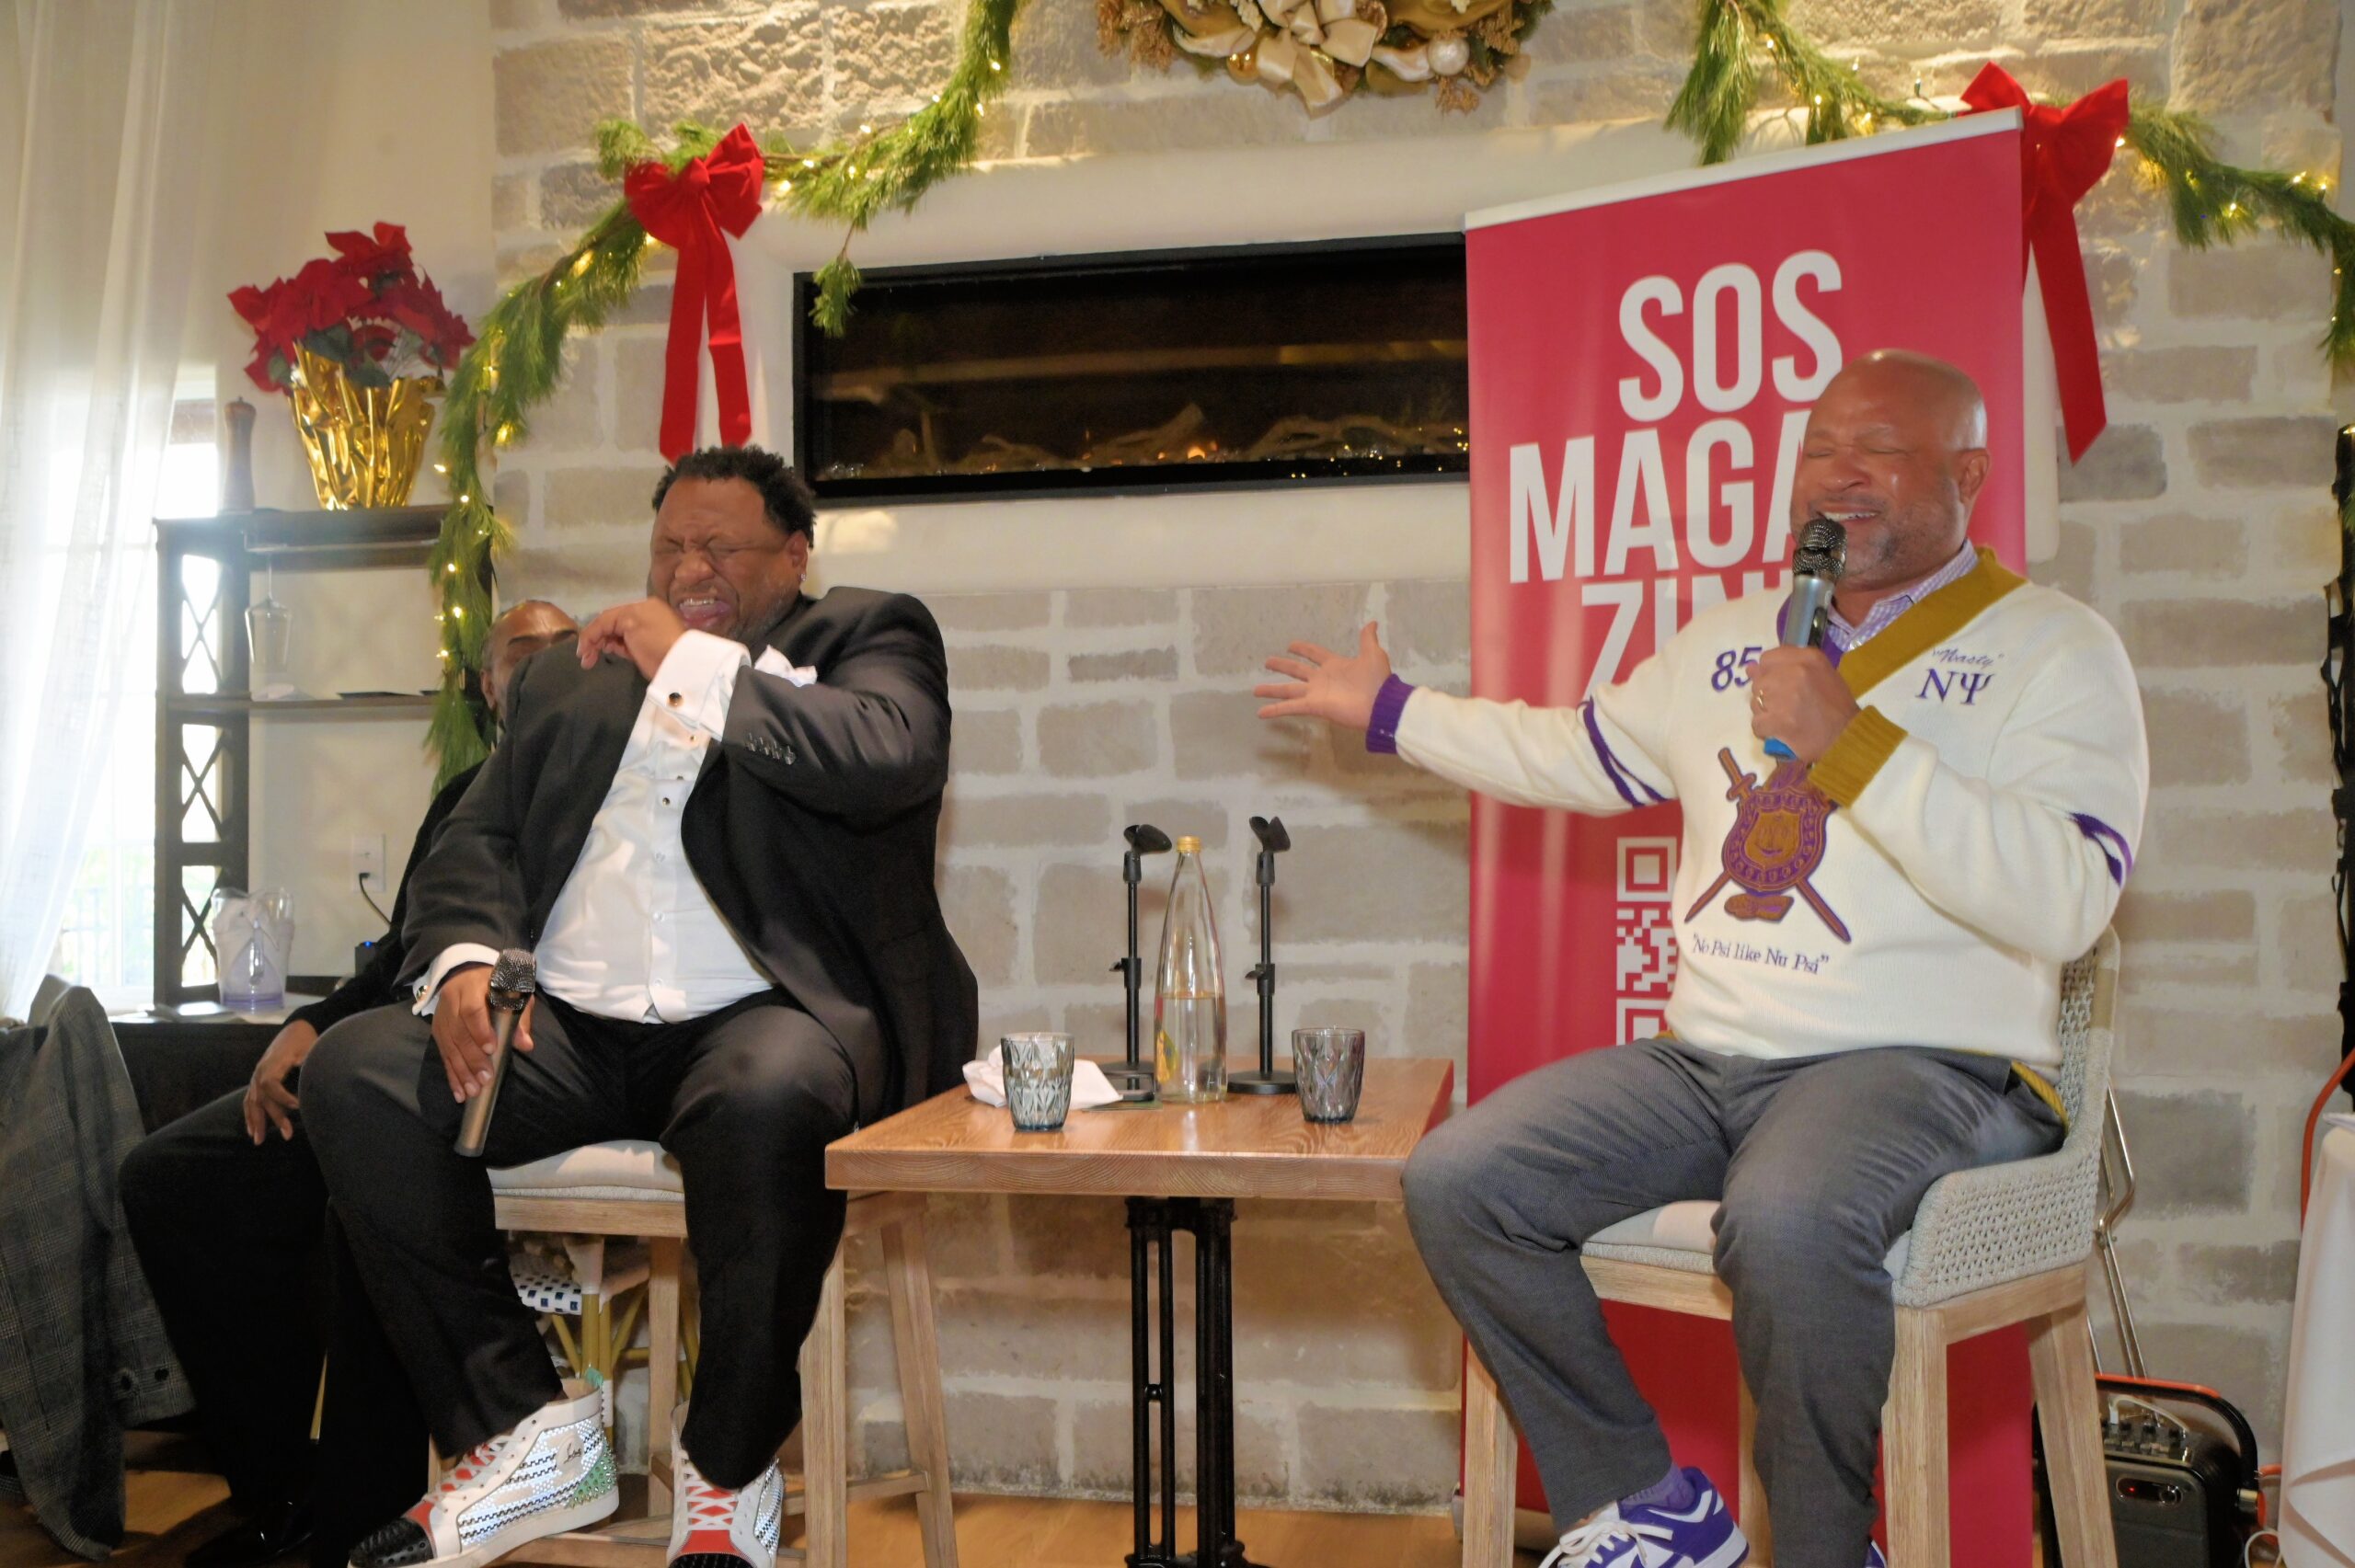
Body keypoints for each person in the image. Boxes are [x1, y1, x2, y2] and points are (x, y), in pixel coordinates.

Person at [1254, 350, 2147, 1568]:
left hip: (1926, 1065)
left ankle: (1825, 1551)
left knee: (1786, 1218)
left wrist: (1852, 742)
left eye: (1878, 448)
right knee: (1461, 1179)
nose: (1839, 474)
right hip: (1709, 1060)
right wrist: (1394, 709)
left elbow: (2069, 898)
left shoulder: (2055, 648)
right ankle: (1645, 1508)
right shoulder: (1731, 640)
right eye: (1820, 447)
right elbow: (1575, 752)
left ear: (1970, 473)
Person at [300, 445, 976, 1568]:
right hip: (566, 1028)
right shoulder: (572, 676)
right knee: (358, 1073)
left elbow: (886, 756)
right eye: (669, 546)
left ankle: (727, 1467)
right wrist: (466, 959)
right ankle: (526, 1429)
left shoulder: (867, 636)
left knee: (770, 1100)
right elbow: (477, 837)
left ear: (794, 556)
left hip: (758, 1020)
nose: (688, 567)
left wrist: (691, 665)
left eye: (719, 547)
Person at [119, 600, 578, 1568]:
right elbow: (401, 956)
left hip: (477, 1081)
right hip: (374, 1049)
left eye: (560, 649)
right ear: (486, 685)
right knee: (171, 1178)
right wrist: (307, 1024)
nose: (541, 666)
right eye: (519, 653)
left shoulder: (594, 788)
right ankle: (280, 1487)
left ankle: (362, 1520)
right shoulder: (461, 793)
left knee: (363, 1185)